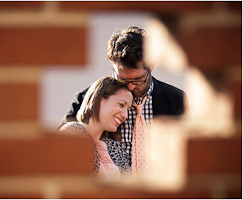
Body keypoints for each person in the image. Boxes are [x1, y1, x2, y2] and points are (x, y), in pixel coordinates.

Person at [58, 26, 186, 173]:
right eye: (122, 79)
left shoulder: (177, 100)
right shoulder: (84, 99)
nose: (130, 87)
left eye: (138, 80)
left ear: (151, 66)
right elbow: (59, 154)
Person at [60, 76, 132, 181]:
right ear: (99, 98)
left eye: (128, 109)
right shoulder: (73, 132)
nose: (125, 115)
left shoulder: (117, 148)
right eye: (121, 105)